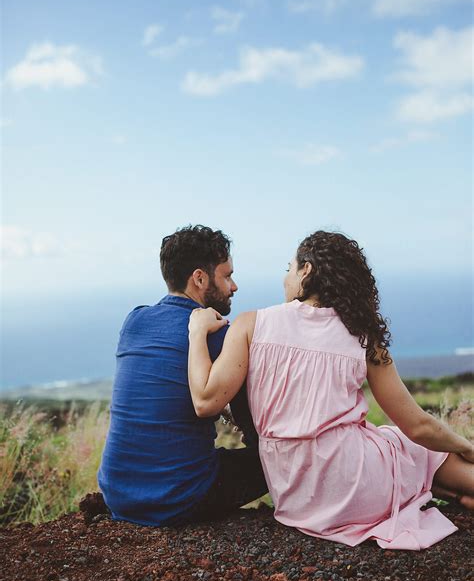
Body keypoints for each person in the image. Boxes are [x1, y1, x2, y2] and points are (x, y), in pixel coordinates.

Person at [188, 230, 474, 550]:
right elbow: (418, 425)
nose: (286, 278)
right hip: (355, 486)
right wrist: (465, 445)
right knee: (410, 445)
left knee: (398, 447)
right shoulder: (361, 333)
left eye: (289, 268)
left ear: (307, 271)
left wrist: (196, 333)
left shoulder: (249, 324)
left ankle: (458, 494)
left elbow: (205, 400)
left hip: (296, 497)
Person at [98, 225, 267, 527]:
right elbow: (253, 422)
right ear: (200, 278)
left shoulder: (134, 320)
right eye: (226, 276)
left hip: (118, 494)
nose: (234, 285)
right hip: (181, 499)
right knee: (272, 457)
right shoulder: (220, 335)